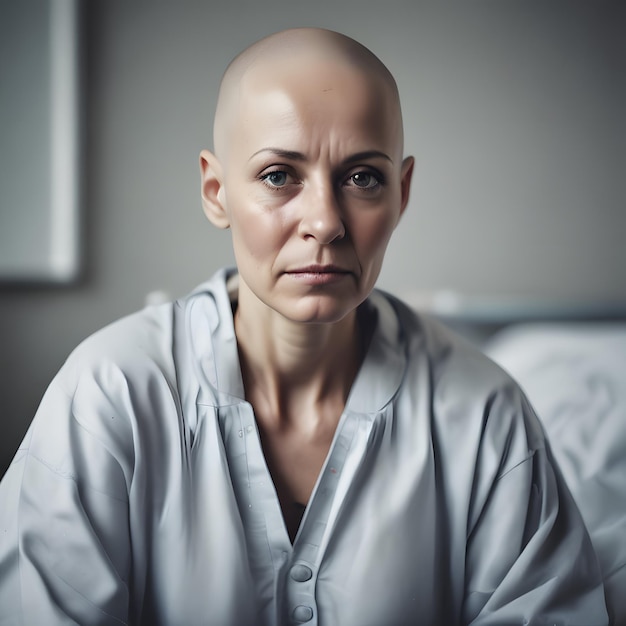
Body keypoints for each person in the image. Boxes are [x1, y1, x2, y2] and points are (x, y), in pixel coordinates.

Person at [0, 27, 608, 626]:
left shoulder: (485, 416)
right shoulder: (108, 397)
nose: (325, 222)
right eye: (278, 176)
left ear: (401, 193)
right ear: (216, 191)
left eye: (362, 177)